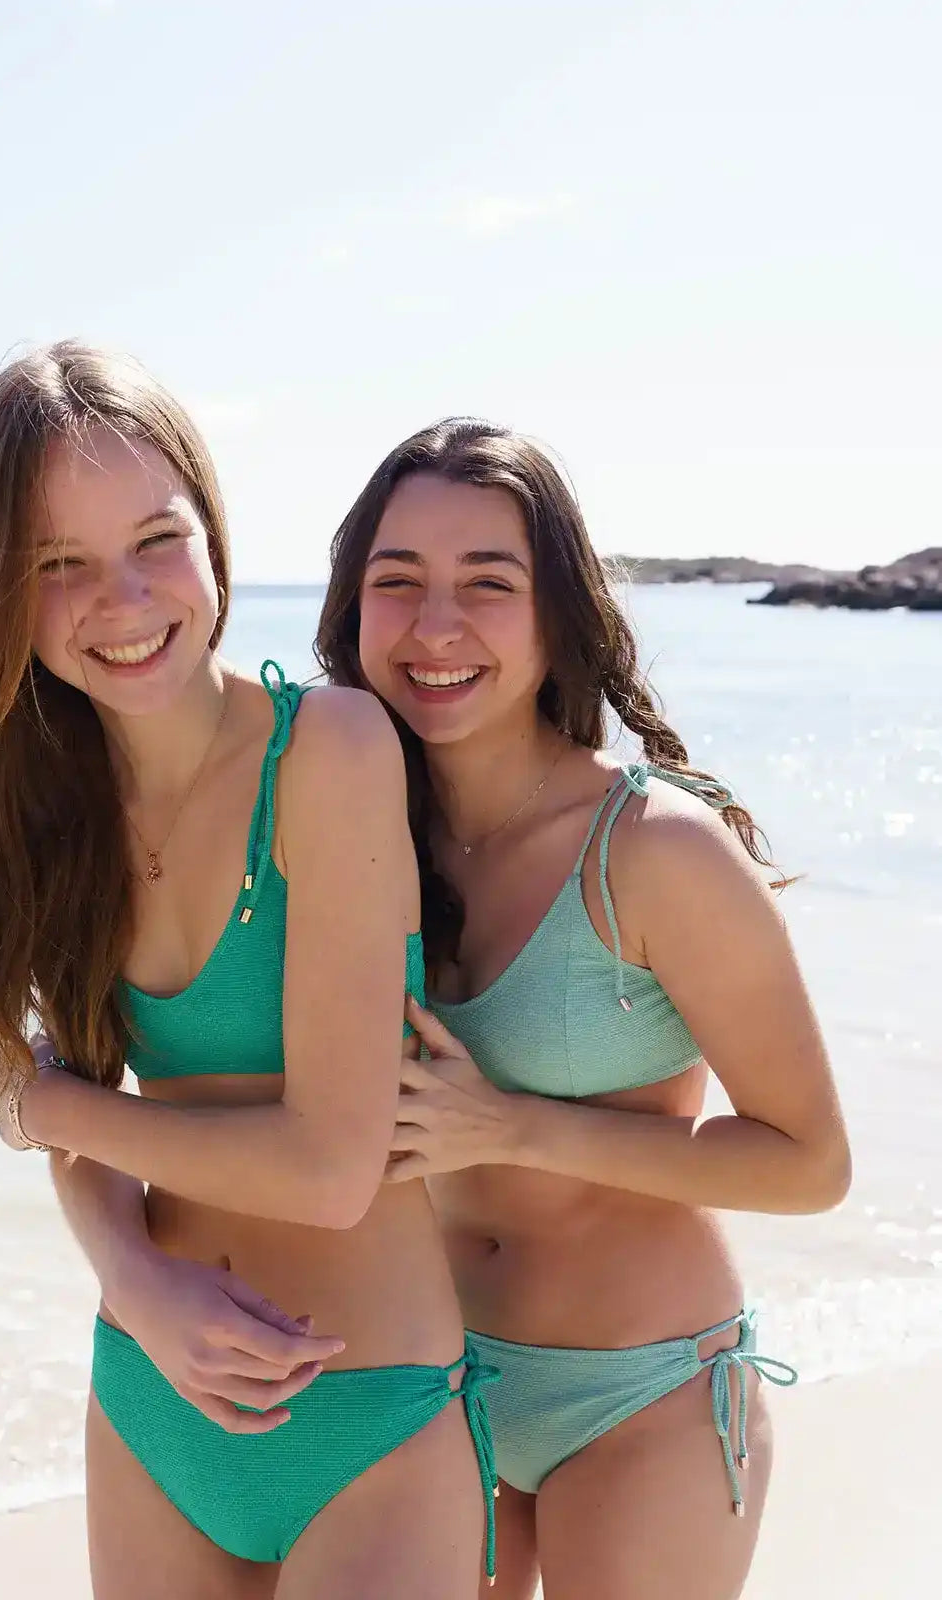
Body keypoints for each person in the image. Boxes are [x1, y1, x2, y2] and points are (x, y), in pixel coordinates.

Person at [0, 352, 497, 1600]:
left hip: (366, 1425)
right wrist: (130, 1276)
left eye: (155, 539)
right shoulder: (50, 804)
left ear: (211, 536)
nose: (122, 597)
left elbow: (332, 1167)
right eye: (59, 563)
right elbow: (79, 1118)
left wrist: (55, 1108)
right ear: (2, 593)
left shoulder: (327, 747)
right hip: (147, 1392)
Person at [312, 417, 851, 1600]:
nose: (434, 624)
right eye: (394, 581)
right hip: (430, 1382)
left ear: (556, 615)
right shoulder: (350, 835)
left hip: (643, 1391)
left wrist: (512, 1127)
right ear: (351, 609)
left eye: (486, 585)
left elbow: (809, 1162)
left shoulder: (655, 851)